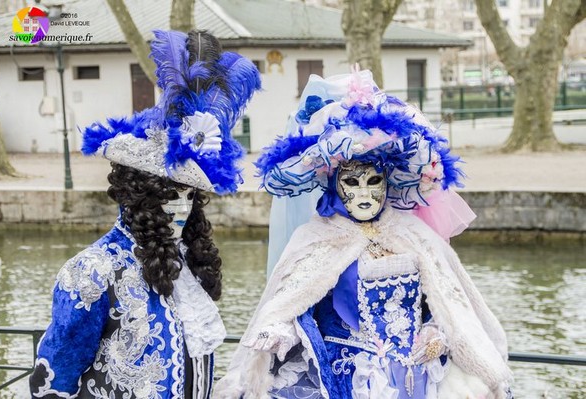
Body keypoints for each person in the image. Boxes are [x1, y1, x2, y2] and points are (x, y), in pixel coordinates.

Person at [215, 70, 513, 399]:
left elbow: (447, 301)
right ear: (333, 184)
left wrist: (437, 333)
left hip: (415, 378)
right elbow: (291, 303)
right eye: (351, 183)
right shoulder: (316, 238)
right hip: (347, 379)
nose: (364, 194)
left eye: (373, 182)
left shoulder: (414, 235)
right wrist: (277, 330)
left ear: (389, 182)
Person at [29, 29, 260, 398]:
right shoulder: (92, 271)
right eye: (170, 195)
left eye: (190, 196)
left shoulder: (186, 264)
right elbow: (54, 384)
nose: (182, 208)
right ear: (138, 196)